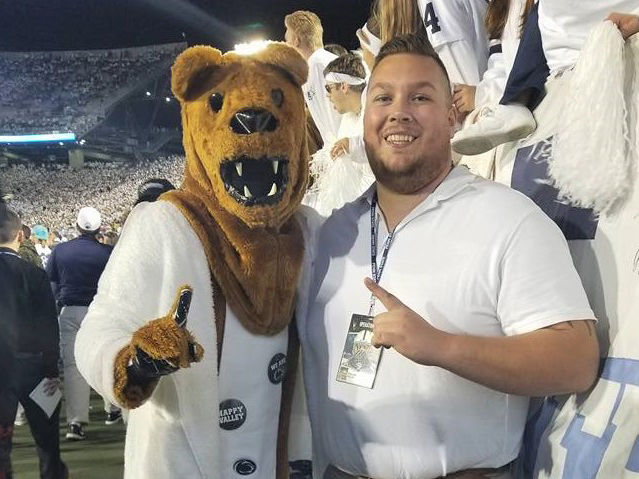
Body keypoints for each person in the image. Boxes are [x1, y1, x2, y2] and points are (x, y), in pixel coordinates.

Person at [298, 33, 599, 479]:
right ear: (365, 118)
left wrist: (442, 347)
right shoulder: (332, 232)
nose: (398, 110)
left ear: (452, 118)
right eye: (383, 97)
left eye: (420, 96)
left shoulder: (508, 219)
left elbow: (575, 360)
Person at [452, 3, 639, 155]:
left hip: (574, 79)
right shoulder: (503, 7)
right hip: (526, 100)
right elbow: (502, 59)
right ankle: (513, 104)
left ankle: (514, 103)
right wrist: (484, 94)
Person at [0, 202, 67, 479]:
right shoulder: (34, 274)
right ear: (19, 236)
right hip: (35, 368)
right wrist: (52, 370)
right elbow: (48, 326)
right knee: (48, 445)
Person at [46, 206, 119, 440]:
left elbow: (53, 285)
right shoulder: (108, 253)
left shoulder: (61, 251)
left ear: (77, 226)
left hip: (71, 310)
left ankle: (76, 423)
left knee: (73, 367)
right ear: (99, 228)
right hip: (101, 311)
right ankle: (112, 409)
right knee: (105, 360)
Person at [306, 53, 375, 216]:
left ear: (344, 86)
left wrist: (352, 145)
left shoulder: (376, 111)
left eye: (328, 88)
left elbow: (383, 148)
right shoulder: (348, 119)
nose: (327, 96)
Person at [285, 10, 341, 144]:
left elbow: (333, 118)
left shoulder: (317, 67)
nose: (285, 44)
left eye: (287, 40)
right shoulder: (326, 61)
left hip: (343, 152)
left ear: (296, 41)